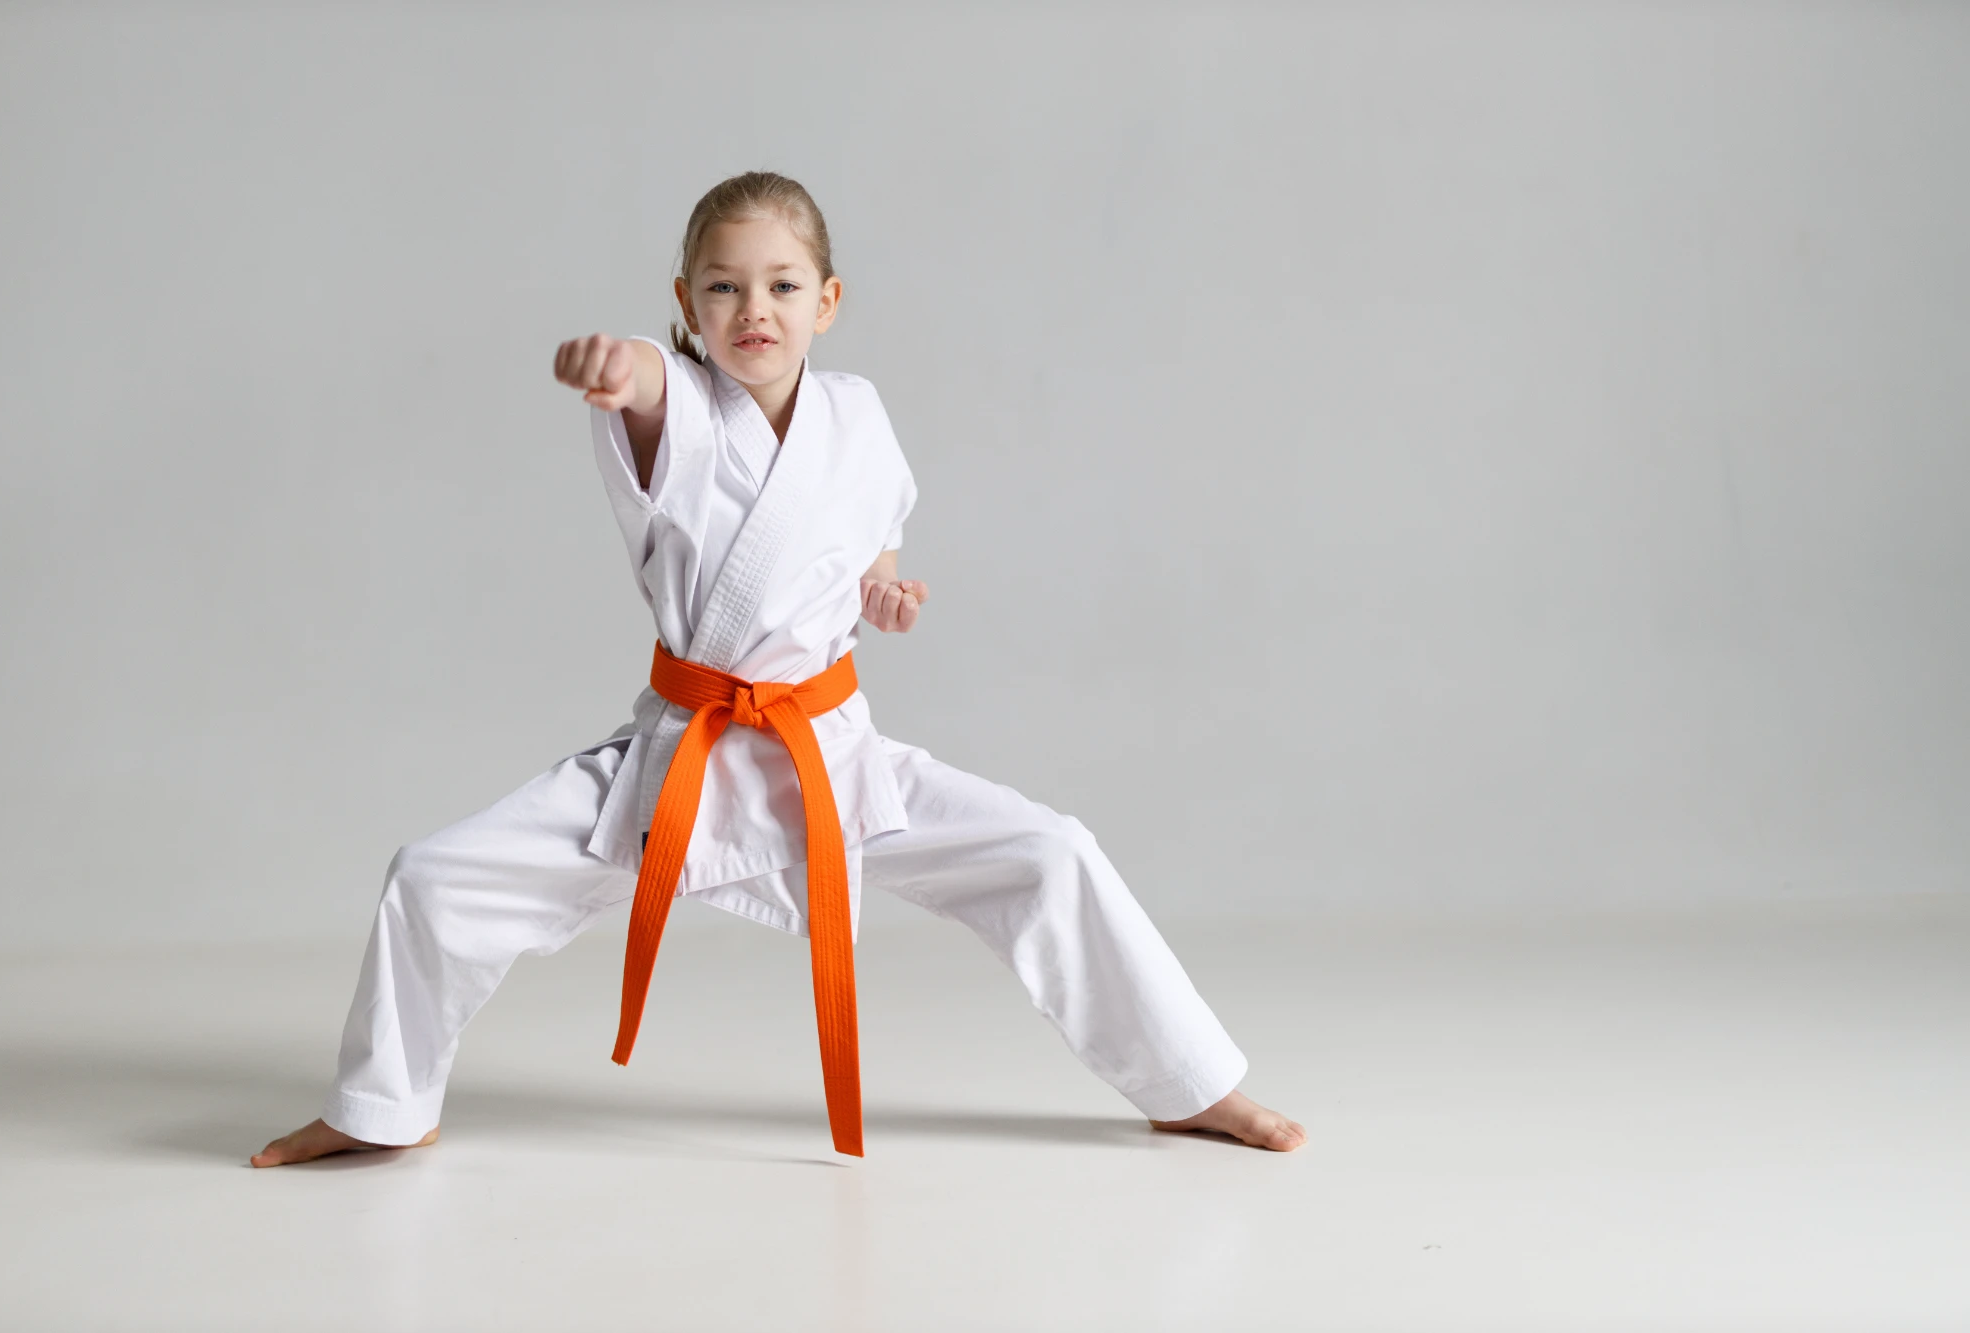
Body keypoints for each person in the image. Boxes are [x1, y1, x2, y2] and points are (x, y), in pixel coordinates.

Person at [252, 171, 1305, 1167]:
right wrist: (619, 366)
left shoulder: (857, 416)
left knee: (1050, 851)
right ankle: (382, 1107)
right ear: (686, 301)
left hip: (829, 755)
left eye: (782, 286)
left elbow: (870, 541)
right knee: (433, 877)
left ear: (826, 300)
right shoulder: (679, 407)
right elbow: (648, 383)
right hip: (681, 758)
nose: (753, 308)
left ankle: (1189, 1084)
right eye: (723, 287)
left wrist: (882, 592)